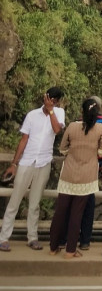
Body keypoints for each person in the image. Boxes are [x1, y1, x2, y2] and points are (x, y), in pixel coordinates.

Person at [0, 88, 65, 252]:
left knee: (35, 203)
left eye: (55, 100)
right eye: (50, 99)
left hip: (43, 162)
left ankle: (32, 237)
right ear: (45, 97)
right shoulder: (32, 115)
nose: (52, 102)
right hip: (27, 161)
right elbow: (24, 139)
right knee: (15, 200)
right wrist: (14, 164)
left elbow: (57, 130)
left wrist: (51, 111)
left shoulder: (59, 113)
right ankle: (3, 238)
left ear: (57, 102)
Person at [49, 98, 102, 258]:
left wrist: (73, 154)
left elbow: (62, 149)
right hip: (87, 176)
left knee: (60, 211)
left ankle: (53, 247)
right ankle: (70, 250)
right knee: (77, 213)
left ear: (81, 111)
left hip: (68, 173)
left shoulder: (72, 126)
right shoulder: (100, 128)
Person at [78, 96, 102, 251]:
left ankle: (66, 239)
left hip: (75, 168)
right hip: (93, 168)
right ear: (99, 107)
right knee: (88, 204)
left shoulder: (77, 123)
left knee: (72, 204)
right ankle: (85, 240)